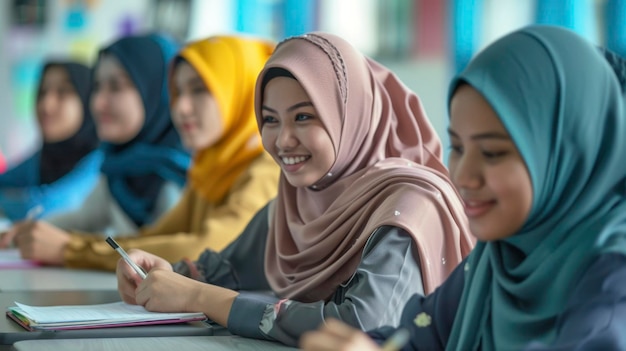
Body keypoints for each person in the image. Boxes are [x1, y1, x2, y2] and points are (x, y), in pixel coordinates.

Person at [116, 32, 474, 347]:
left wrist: (203, 298)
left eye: (304, 116)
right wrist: (160, 275)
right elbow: (226, 270)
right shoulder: (296, 204)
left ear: (350, 116)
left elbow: (362, 326)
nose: (282, 140)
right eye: (270, 120)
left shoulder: (409, 206)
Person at [300, 25, 626, 351]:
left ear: (571, 153)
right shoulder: (497, 257)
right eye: (456, 147)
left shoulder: (613, 284)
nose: (464, 176)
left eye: (493, 153)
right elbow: (417, 338)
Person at [18, 35, 280, 270]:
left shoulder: (264, 169)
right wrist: (70, 245)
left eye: (199, 89)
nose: (182, 108)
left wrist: (71, 250)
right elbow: (150, 238)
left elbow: (206, 249)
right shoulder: (210, 169)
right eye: (177, 92)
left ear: (242, 93)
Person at [0, 33, 191, 264]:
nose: (98, 102)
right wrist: (20, 234)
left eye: (116, 86)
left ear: (155, 89)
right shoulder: (118, 168)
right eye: (97, 87)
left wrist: (68, 249)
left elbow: (172, 253)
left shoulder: (185, 175)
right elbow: (79, 219)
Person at [0, 60, 101, 221]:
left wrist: (14, 201)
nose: (46, 105)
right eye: (42, 92)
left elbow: (48, 208)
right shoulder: (42, 157)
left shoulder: (101, 161)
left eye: (63, 92)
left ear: (88, 100)